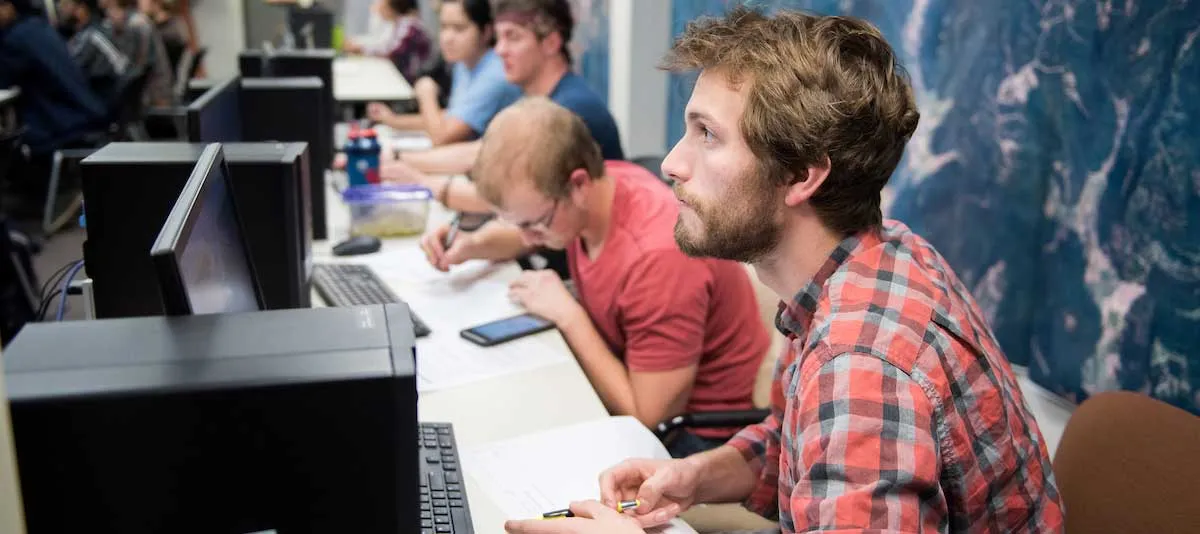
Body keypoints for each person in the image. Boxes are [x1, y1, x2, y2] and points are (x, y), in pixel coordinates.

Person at [504, 7, 1064, 534]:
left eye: (707, 135)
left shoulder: (859, 368)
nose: (673, 163)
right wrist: (697, 476)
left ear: (800, 176)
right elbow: (792, 442)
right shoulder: (875, 255)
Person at [420, 97, 768, 458]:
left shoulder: (657, 259)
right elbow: (530, 229)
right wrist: (473, 245)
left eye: (534, 224)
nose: (527, 239)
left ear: (578, 184)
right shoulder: (605, 183)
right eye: (519, 224)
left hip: (697, 439)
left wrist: (568, 315)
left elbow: (647, 418)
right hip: (634, 379)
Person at [381, 0, 623, 211]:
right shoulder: (535, 98)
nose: (499, 50)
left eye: (513, 37)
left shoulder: (568, 109)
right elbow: (482, 151)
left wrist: (418, 179)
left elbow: (508, 196)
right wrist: (399, 160)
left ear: (551, 42)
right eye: (499, 38)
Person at [366, 0, 520, 145]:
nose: (447, 38)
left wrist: (426, 94)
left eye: (459, 29)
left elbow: (442, 136)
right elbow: (452, 118)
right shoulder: (463, 63)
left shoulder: (494, 74)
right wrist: (392, 120)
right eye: (444, 27)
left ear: (486, 32)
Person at [0, 0, 106, 155]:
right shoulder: (38, 27)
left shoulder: (15, 40)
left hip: (61, 128)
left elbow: (3, 82)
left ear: (9, 6)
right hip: (84, 116)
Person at [342, 0, 431, 85]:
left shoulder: (408, 24)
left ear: (392, 7)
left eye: (382, 4)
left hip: (414, 82)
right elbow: (384, 45)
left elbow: (392, 51)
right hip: (406, 78)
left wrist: (361, 49)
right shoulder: (400, 23)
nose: (378, 7)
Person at [104, 0, 172, 106]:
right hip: (153, 91)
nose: (108, 18)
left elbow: (136, 68)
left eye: (110, 10)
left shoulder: (137, 26)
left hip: (154, 95)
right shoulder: (133, 22)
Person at [57, 0, 127, 102]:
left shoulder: (92, 37)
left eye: (66, 4)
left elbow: (65, 71)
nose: (60, 8)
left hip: (111, 102)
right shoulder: (90, 31)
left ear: (81, 9)